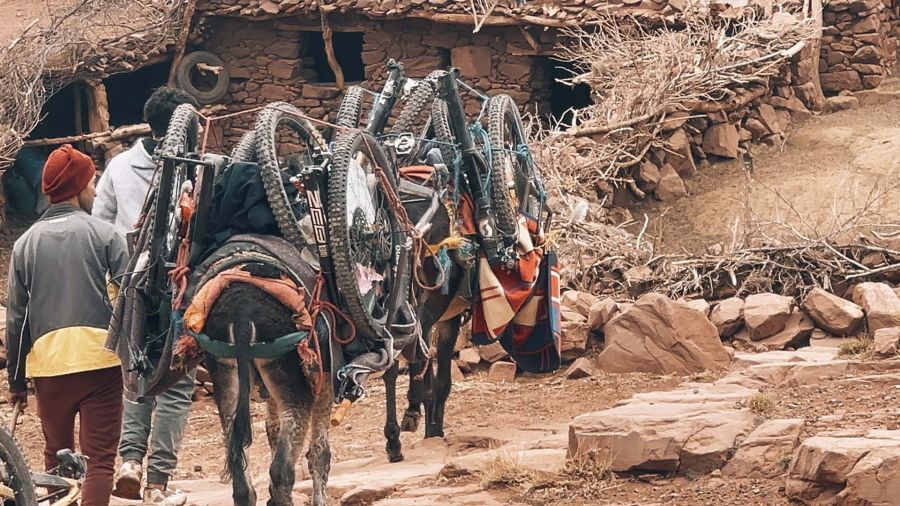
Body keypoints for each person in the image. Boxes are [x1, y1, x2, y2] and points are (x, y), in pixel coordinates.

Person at [6, 144, 127, 506]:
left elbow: (17, 318)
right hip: (102, 363)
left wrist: (16, 381)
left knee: (56, 457)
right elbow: (129, 299)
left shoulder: (25, 245)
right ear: (77, 187)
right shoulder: (105, 235)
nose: (94, 190)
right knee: (99, 462)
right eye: (91, 183)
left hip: (50, 369)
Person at [94, 87, 198, 506]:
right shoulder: (197, 166)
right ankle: (158, 483)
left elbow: (102, 226)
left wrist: (118, 275)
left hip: (132, 284)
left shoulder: (119, 166)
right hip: (181, 283)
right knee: (175, 381)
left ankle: (130, 464)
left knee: (136, 374)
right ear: (183, 124)